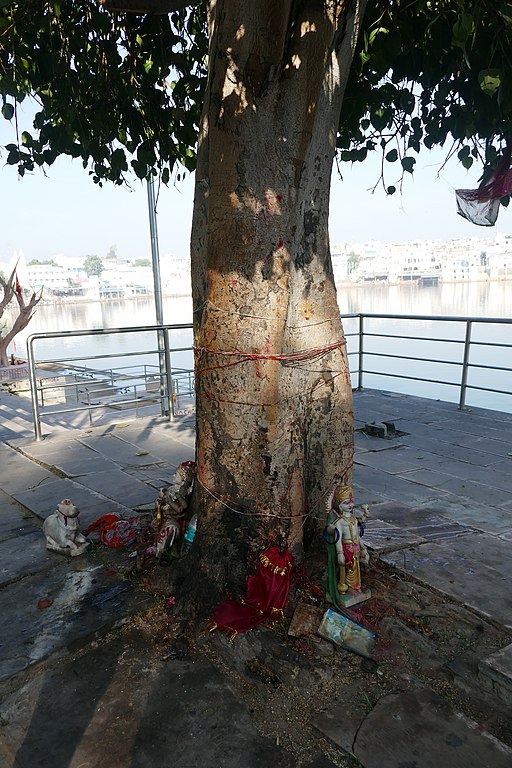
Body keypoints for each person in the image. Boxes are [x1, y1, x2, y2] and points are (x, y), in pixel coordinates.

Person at [327, 485, 369, 594]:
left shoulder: (354, 519)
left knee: (357, 569)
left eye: (351, 502)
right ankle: (349, 587)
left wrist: (363, 548)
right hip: (347, 549)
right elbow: (338, 538)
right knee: (348, 570)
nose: (350, 505)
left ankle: (356, 586)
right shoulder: (340, 522)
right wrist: (340, 553)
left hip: (356, 548)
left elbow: (358, 536)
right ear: (340, 506)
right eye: (346, 503)